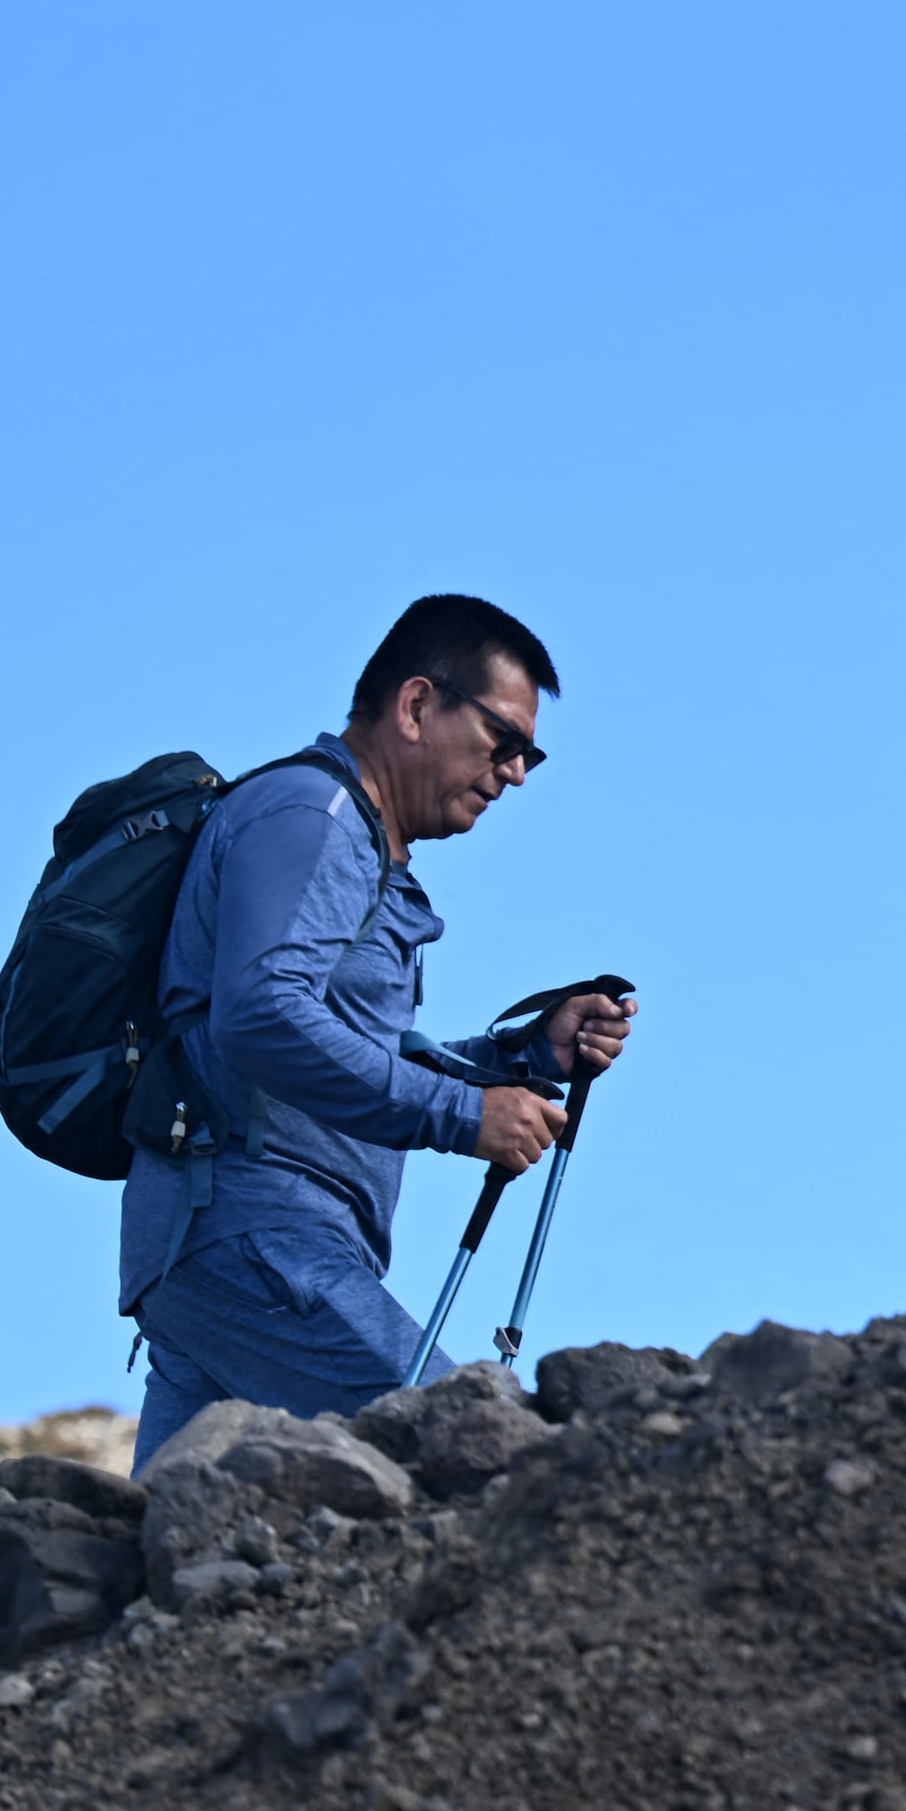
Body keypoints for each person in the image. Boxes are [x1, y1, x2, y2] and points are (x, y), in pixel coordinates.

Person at [119, 594, 640, 1465]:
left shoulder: (356, 846)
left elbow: (350, 1042)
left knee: (183, 1568)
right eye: (504, 741)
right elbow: (262, 1014)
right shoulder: (311, 816)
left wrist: (520, 1057)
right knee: (485, 1458)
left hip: (231, 1249)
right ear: (415, 705)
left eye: (530, 756)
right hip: (259, 1243)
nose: (515, 772)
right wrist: (463, 1117)